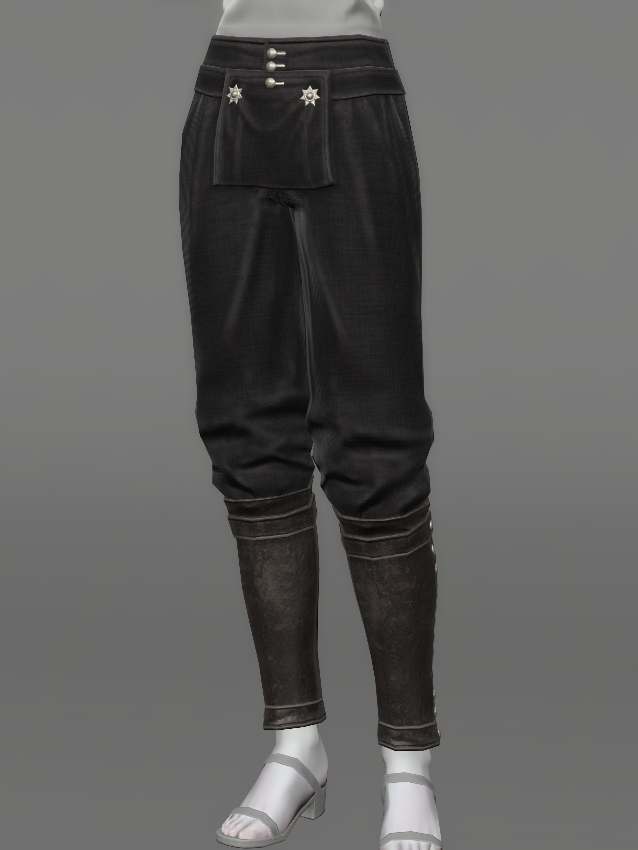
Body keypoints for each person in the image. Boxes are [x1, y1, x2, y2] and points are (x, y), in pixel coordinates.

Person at [178, 2, 443, 847]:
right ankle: (296, 745)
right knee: (243, 424)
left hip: (353, 91)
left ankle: (408, 765)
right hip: (225, 91)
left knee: (377, 430)